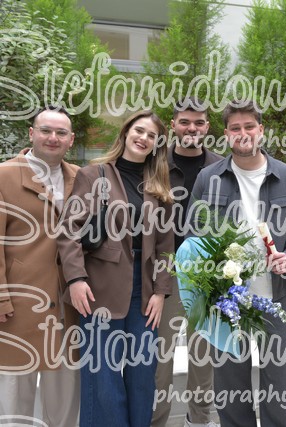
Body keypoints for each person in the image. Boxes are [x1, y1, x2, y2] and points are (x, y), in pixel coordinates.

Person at [188, 99, 286, 427]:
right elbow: (193, 234)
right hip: (226, 299)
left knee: (278, 381)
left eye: (249, 126)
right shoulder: (208, 178)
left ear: (261, 130)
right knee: (230, 381)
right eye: (235, 128)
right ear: (226, 134)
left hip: (277, 295)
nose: (243, 133)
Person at [57, 110, 176, 427]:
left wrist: (161, 292)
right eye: (139, 130)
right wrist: (76, 279)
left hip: (145, 291)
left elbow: (165, 246)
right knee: (103, 375)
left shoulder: (159, 187)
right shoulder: (93, 175)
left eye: (152, 136)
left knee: (142, 373)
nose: (144, 138)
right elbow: (69, 231)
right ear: (125, 133)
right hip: (99, 286)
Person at [0, 106, 80, 426]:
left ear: (71, 139)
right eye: (46, 130)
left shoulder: (82, 177)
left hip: (67, 306)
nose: (53, 138)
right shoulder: (5, 176)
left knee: (64, 395)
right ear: (32, 133)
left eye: (61, 132)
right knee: (14, 396)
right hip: (19, 305)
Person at [152, 97, 223, 427]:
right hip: (165, 275)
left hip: (208, 276)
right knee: (160, 360)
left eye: (198, 122)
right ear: (173, 125)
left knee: (203, 358)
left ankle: (199, 421)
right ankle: (157, 421)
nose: (191, 128)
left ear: (207, 127)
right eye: (184, 122)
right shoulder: (156, 165)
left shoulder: (222, 167)